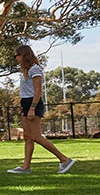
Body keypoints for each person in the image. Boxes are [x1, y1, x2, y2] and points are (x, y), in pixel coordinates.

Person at [7, 45, 75, 174]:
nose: (15, 58)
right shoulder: (24, 70)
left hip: (33, 102)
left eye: (17, 55)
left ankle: (64, 160)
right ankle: (26, 167)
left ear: (24, 55)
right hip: (25, 102)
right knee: (27, 137)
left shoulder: (34, 69)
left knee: (36, 136)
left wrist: (32, 108)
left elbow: (38, 90)